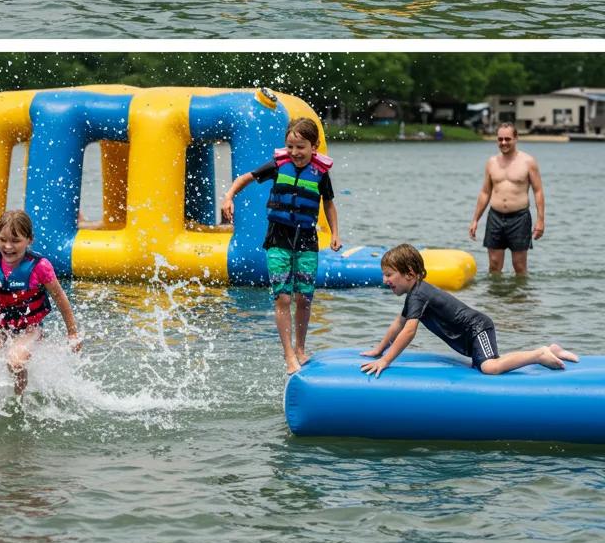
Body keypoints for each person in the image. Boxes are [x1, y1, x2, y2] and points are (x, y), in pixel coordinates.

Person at [220, 117, 342, 374]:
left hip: (307, 240)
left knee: (304, 298)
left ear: (314, 147)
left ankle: (300, 349)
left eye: (300, 147)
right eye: (290, 146)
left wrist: (335, 233)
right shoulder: (278, 165)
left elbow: (328, 204)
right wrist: (229, 196)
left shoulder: (321, 174)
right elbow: (246, 178)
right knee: (283, 297)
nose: (295, 152)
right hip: (278, 238)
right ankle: (289, 355)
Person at [360, 243, 578, 377]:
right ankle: (551, 349)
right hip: (471, 333)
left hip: (477, 328)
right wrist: (379, 350)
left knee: (490, 367)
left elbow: (408, 331)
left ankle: (539, 354)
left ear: (409, 273)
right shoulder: (415, 294)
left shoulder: (418, 294)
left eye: (389, 274)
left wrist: (385, 361)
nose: (384, 280)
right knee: (488, 363)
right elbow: (398, 324)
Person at [0, 209, 80, 424]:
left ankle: (19, 402)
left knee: (16, 361)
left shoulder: (40, 267)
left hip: (29, 327)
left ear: (29, 240)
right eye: (2, 239)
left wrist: (72, 333)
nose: (8, 246)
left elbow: (60, 298)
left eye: (16, 240)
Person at [469, 122, 544, 274]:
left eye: (507, 139)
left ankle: (519, 290)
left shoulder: (528, 162)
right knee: (494, 266)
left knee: (519, 266)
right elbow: (485, 192)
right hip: (495, 217)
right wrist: (475, 220)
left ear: (516, 138)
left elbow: (538, 191)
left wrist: (540, 220)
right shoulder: (491, 162)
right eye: (500, 139)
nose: (503, 142)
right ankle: (496, 291)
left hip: (519, 218)